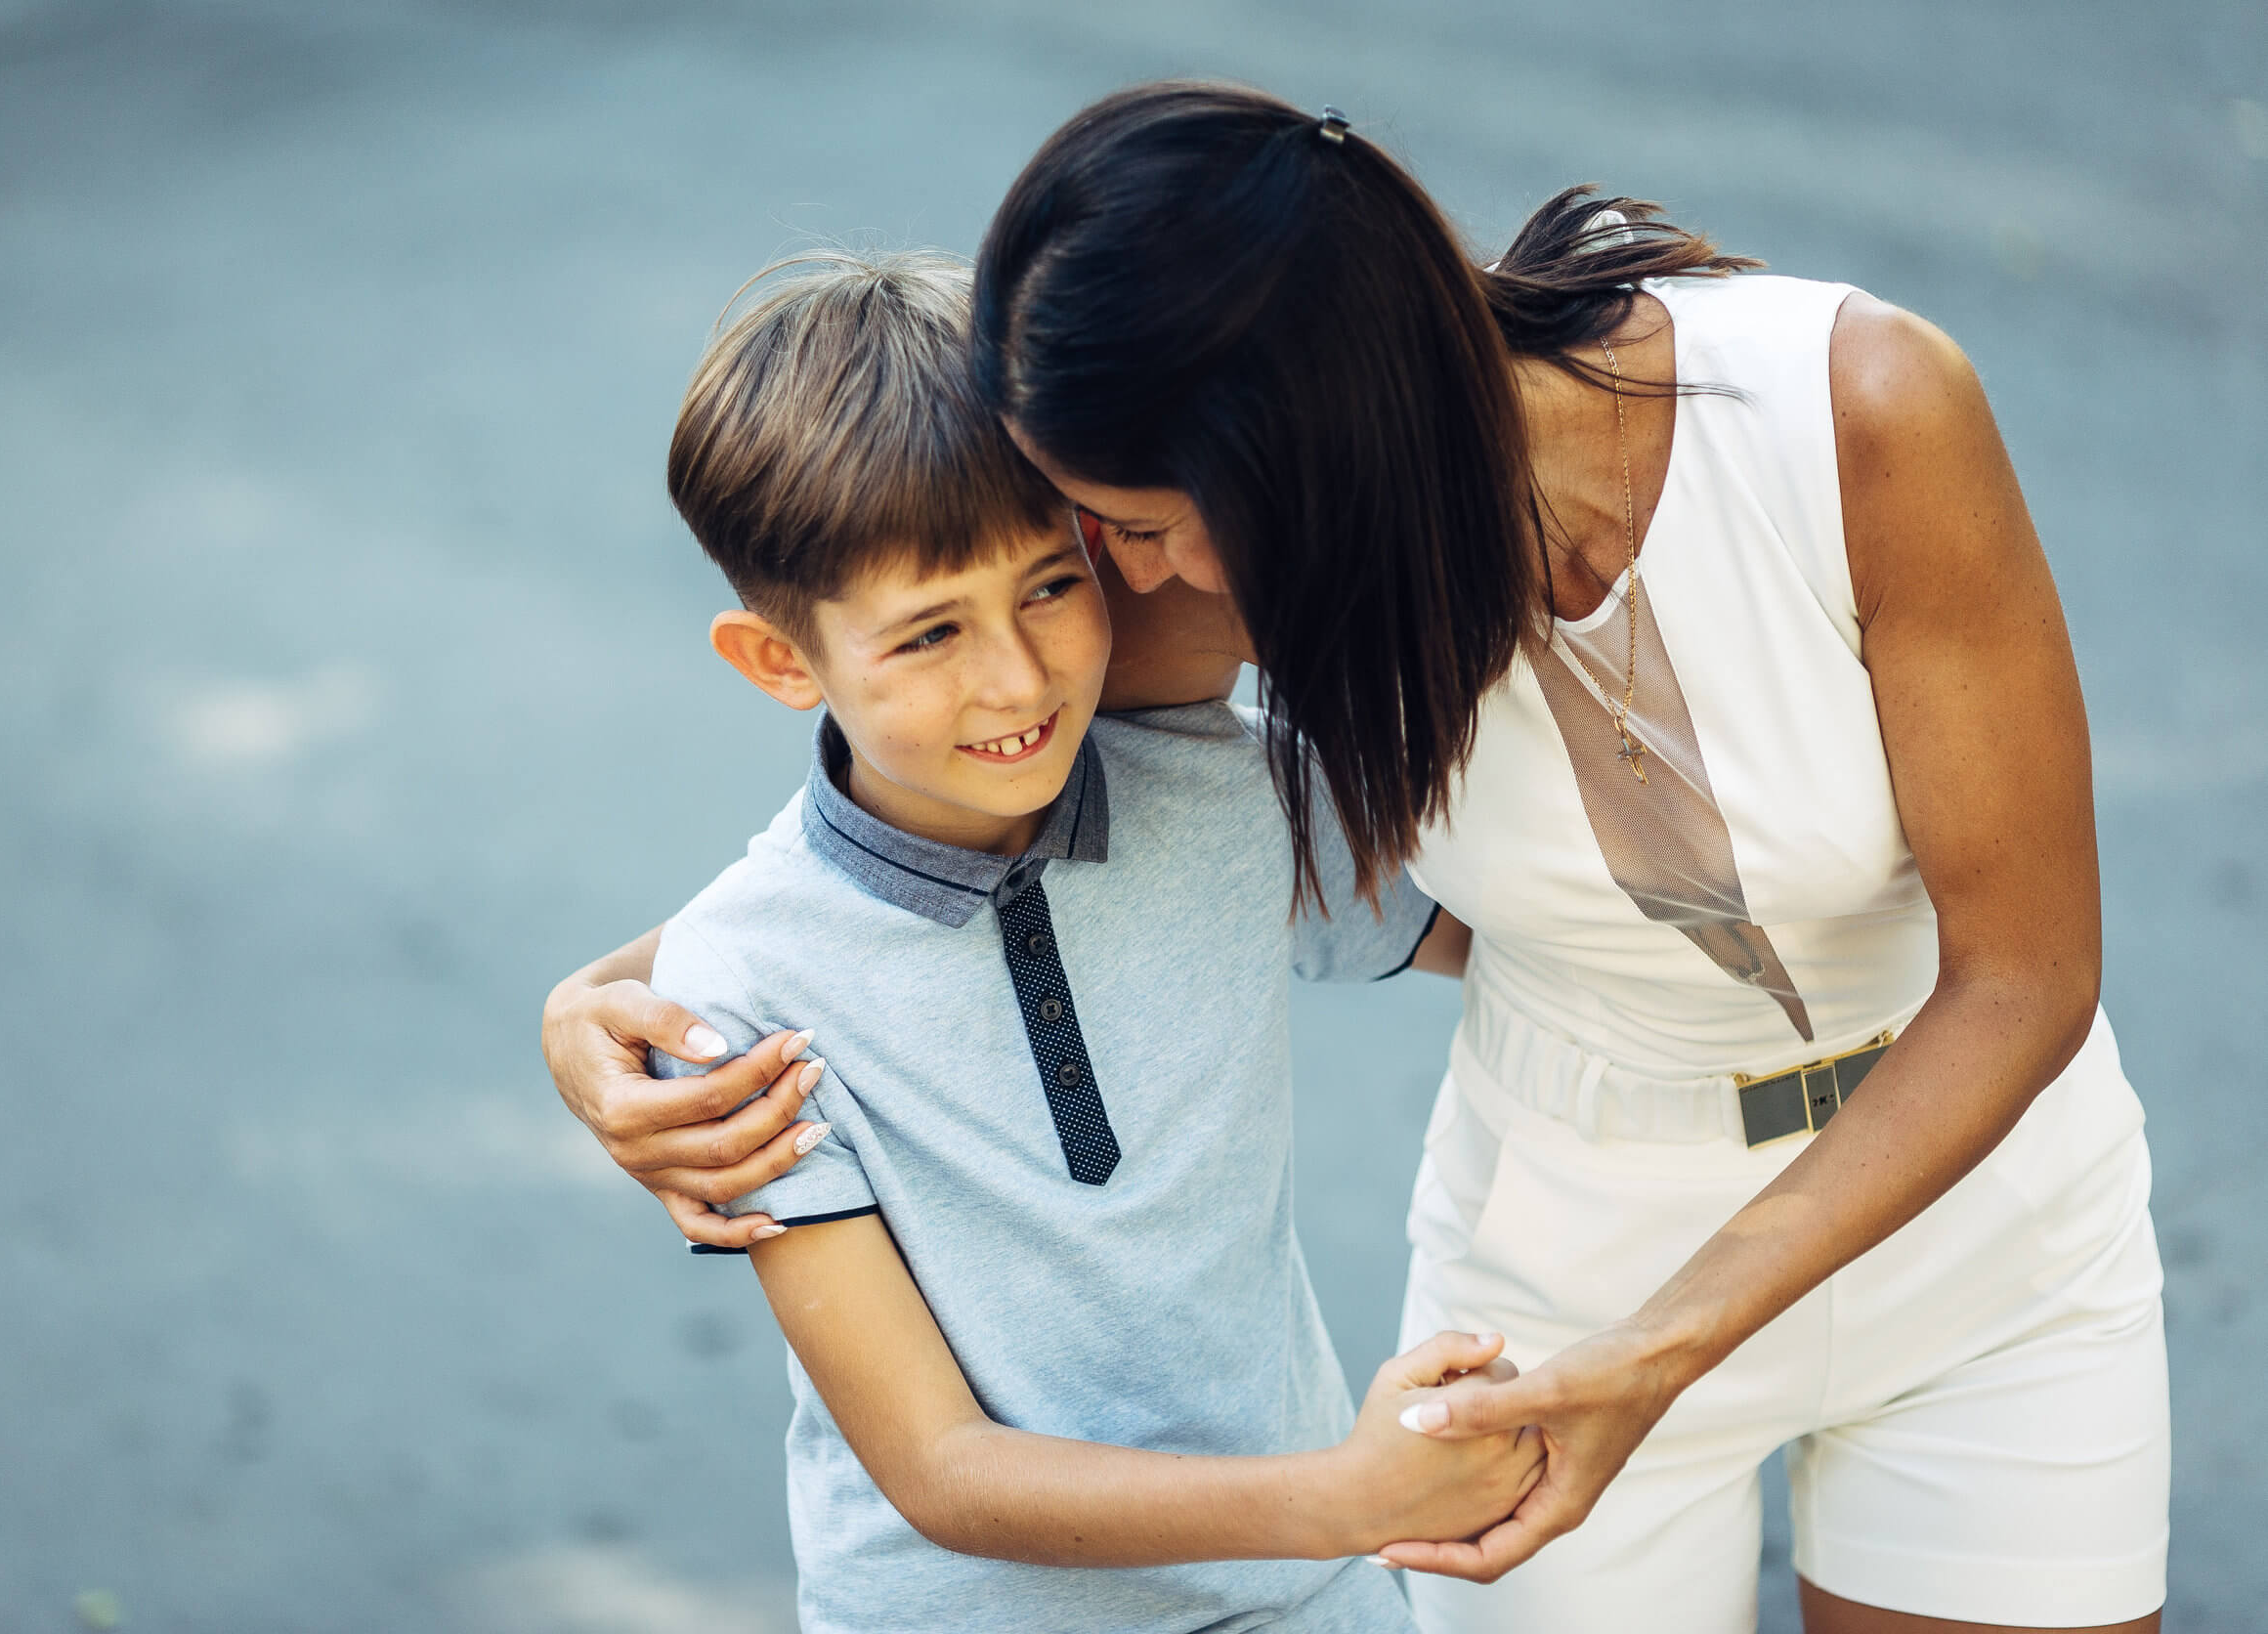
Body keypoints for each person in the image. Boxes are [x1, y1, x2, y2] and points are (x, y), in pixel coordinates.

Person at [544, 85, 2167, 1634]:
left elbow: (2024, 976)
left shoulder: (1853, 410)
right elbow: (930, 852)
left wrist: (1660, 1352)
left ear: (1303, 451)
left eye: (1140, 529)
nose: (1119, 594)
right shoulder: (1178, 592)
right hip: (1564, 1260)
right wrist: (609, 1008)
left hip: (1983, 1224)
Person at [636, 245, 1543, 1634]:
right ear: (779, 663)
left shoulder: (1239, 792)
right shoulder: (742, 989)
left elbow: (1558, 930)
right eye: (929, 633)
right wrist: (1346, 1501)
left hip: (1309, 1602)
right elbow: (940, 1473)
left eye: (1050, 590)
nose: (1017, 678)